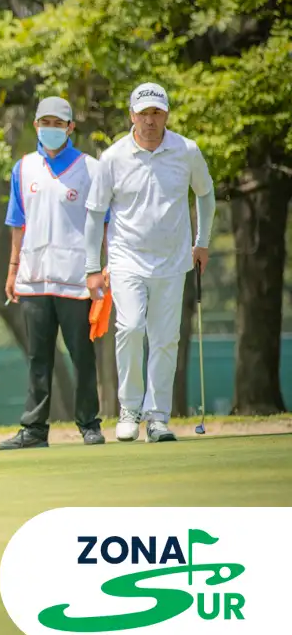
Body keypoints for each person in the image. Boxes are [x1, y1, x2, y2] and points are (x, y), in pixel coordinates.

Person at [84, 83, 215, 443]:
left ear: (166, 115)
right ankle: (129, 410)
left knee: (165, 339)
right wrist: (92, 267)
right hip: (126, 258)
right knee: (129, 328)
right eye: (144, 113)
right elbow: (94, 213)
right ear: (132, 116)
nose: (150, 120)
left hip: (173, 260)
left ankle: (157, 417)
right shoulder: (113, 158)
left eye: (157, 112)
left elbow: (205, 194)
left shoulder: (186, 151)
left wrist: (202, 242)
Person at [0, 97, 106, 450]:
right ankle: (34, 429)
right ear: (35, 125)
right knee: (38, 358)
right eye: (45, 122)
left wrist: (103, 268)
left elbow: (104, 222)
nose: (51, 128)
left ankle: (89, 424)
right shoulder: (23, 168)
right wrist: (12, 270)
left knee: (82, 356)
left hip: (76, 279)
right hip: (34, 278)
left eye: (58, 123)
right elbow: (18, 223)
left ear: (70, 127)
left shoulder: (91, 169)